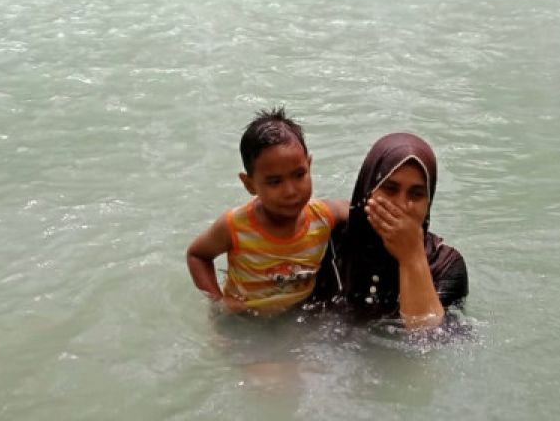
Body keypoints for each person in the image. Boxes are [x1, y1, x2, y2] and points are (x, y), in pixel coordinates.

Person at [186, 108, 349, 316]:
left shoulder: (323, 216)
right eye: (275, 182)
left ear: (309, 166)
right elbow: (197, 255)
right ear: (249, 184)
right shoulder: (235, 226)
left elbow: (358, 209)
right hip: (245, 317)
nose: (290, 191)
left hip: (298, 314)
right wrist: (218, 301)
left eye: (299, 175)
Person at [314, 133, 467, 330]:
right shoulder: (328, 243)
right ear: (368, 190)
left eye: (416, 194)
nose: (402, 205)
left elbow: (426, 342)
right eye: (390, 189)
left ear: (428, 204)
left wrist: (412, 256)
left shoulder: (445, 265)